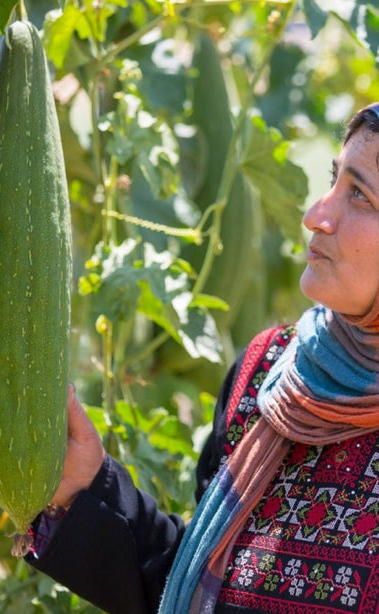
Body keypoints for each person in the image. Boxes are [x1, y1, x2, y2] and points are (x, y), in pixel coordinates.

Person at [26, 103, 379, 614]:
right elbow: (191, 583)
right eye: (333, 180)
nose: (316, 216)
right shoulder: (268, 373)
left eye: (360, 195)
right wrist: (87, 487)